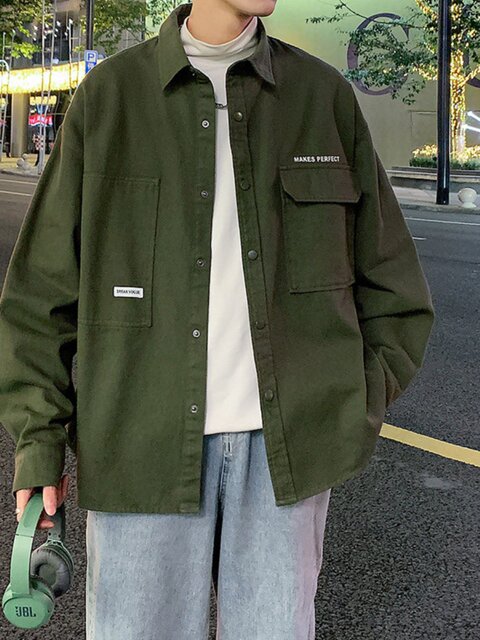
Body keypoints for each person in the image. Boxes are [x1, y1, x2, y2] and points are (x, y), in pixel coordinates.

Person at [0, 1, 435, 638]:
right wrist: (38, 444)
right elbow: (40, 297)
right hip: (139, 447)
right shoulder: (110, 99)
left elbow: (396, 291)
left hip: (286, 461)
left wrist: (350, 403)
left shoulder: (322, 99)